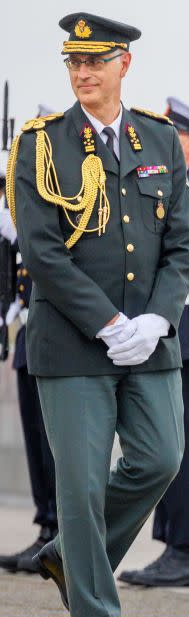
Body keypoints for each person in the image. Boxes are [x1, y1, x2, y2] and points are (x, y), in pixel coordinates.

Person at [12, 12, 189, 617]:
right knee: (84, 484)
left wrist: (156, 319)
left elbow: (182, 243)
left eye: (95, 61)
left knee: (160, 459)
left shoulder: (160, 138)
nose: (83, 73)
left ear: (125, 64)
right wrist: (109, 321)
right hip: (72, 344)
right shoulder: (40, 142)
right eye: (73, 63)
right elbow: (42, 250)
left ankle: (68, 556)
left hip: (151, 339)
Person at [118, 97, 189, 588]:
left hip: (185, 330)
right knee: (171, 443)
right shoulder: (180, 184)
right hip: (170, 329)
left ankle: (185, 549)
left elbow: (186, 262)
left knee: (179, 445)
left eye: (171, 135)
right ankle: (176, 547)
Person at [1, 120, 59, 573]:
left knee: (54, 441)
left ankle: (60, 531)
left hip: (56, 331)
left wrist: (19, 233)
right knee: (36, 442)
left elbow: (55, 247)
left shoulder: (64, 185)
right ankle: (46, 529)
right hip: (31, 328)